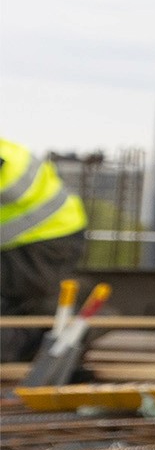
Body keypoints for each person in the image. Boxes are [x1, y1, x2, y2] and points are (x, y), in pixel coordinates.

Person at [0, 138, 89, 364]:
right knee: (17, 301)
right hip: (40, 239)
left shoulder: (6, 161)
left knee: (20, 296)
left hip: (47, 241)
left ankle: (57, 336)